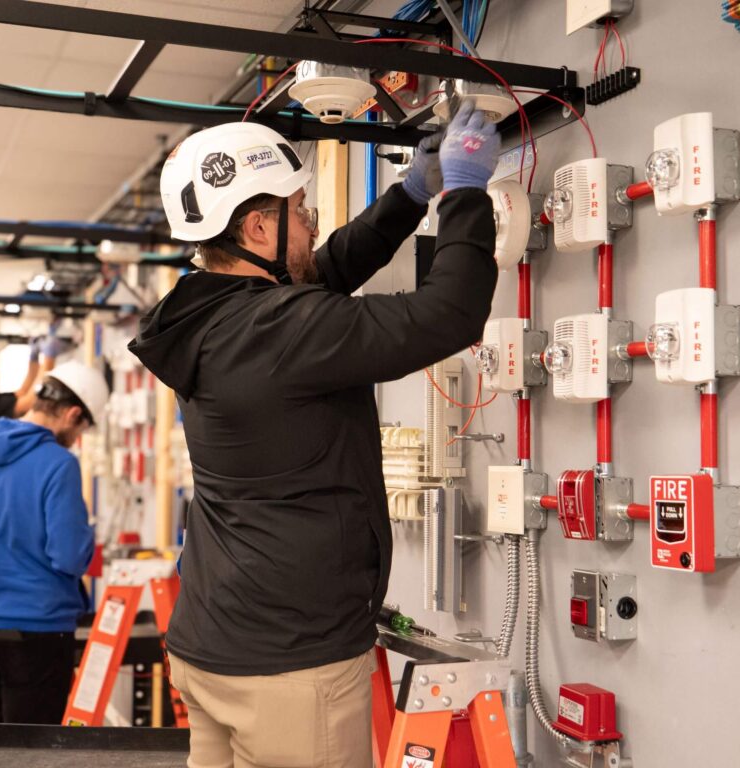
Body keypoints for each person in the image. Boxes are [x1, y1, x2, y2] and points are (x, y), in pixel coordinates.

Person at [128, 100, 501, 767]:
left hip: (213, 647)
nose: (310, 224)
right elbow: (448, 316)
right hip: (290, 670)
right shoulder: (279, 331)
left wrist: (411, 195)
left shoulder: (204, 315)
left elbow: (315, 274)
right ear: (258, 225)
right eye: (301, 213)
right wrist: (467, 195)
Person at [0, 360, 108, 724]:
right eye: (81, 427)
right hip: (37, 632)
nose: (77, 438)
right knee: (31, 753)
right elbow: (69, 556)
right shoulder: (59, 463)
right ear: (73, 413)